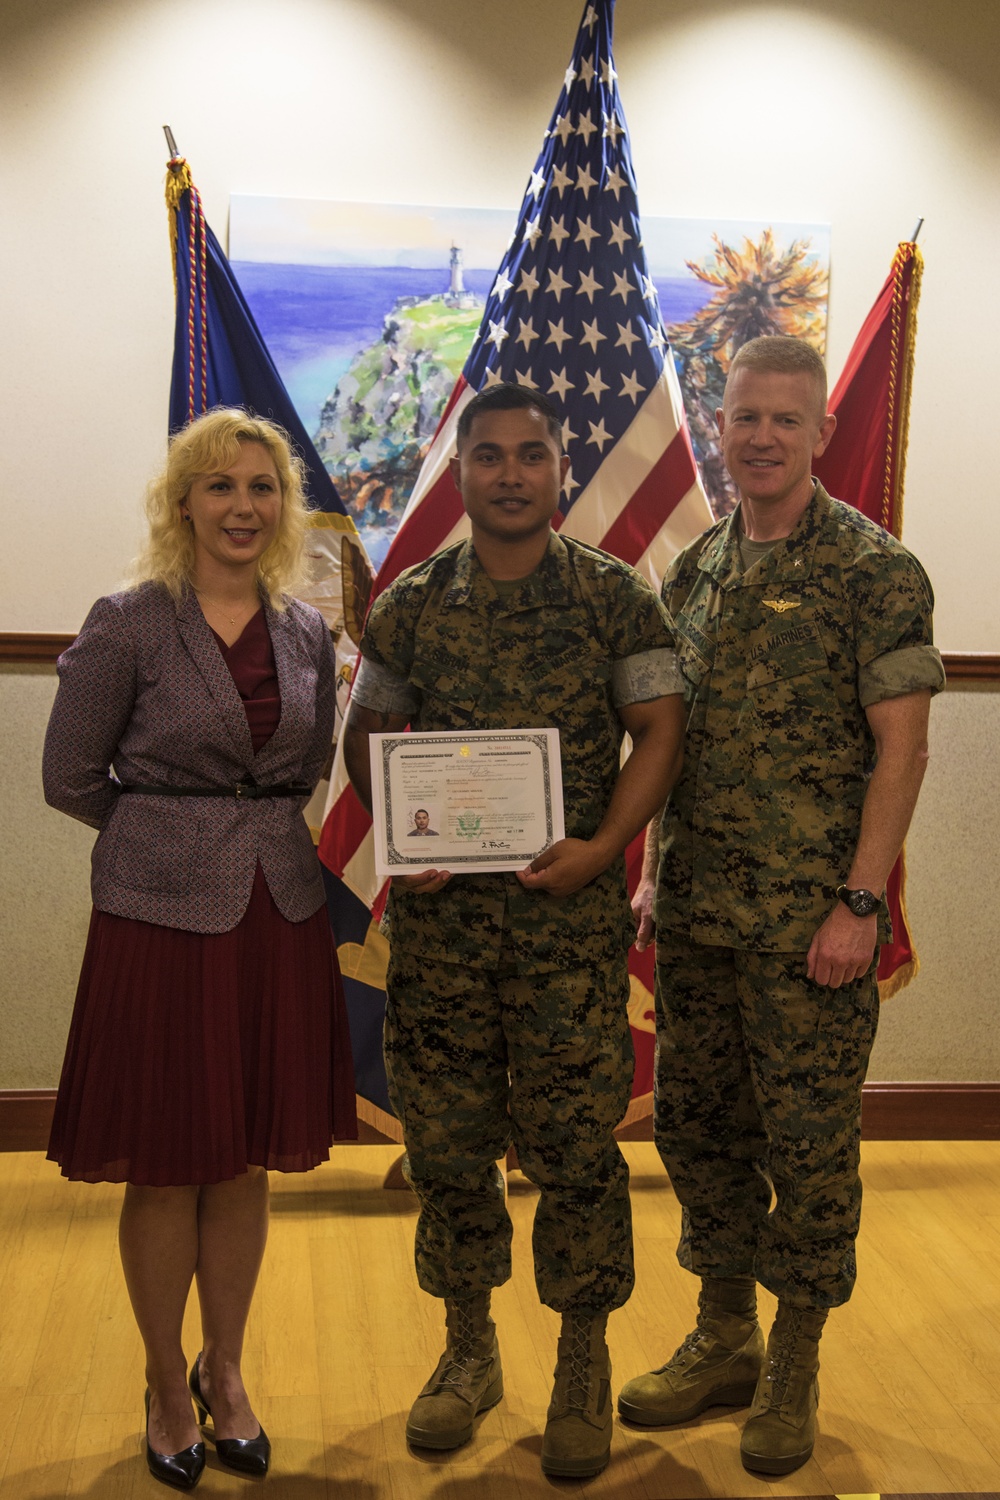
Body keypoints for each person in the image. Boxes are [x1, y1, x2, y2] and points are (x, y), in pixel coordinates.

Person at [342, 383, 685, 1479]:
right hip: (441, 942)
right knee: (445, 1151)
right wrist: (402, 834)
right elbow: (368, 730)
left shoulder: (612, 601)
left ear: (557, 469)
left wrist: (602, 849)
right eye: (485, 456)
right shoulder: (410, 603)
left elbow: (660, 730)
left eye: (527, 455)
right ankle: (467, 1349)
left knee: (576, 1154)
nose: (506, 473)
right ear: (460, 474)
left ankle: (580, 1359)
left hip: (564, 936)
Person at [617, 337, 945, 1476]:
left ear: (815, 433)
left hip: (813, 928)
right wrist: (656, 868)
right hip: (701, 915)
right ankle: (723, 1334)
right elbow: (675, 742)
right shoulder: (696, 569)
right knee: (693, 1131)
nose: (759, 437)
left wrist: (860, 901)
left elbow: (901, 751)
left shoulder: (874, 569)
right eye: (743, 417)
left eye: (783, 422)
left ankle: (795, 1355)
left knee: (808, 1147)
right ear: (720, 421)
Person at [43, 408, 356, 1491]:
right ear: (183, 504)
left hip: (276, 912)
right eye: (219, 487)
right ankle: (164, 1383)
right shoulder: (129, 622)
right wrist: (167, 840)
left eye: (261, 488)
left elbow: (307, 766)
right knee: (170, 1160)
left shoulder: (308, 632)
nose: (241, 506)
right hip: (158, 921)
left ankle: (227, 1372)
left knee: (241, 1158)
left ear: (283, 508)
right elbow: (70, 778)